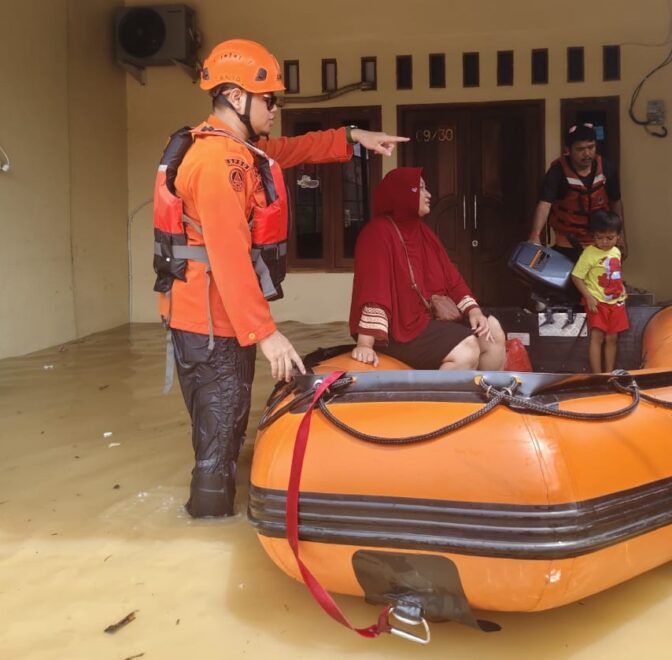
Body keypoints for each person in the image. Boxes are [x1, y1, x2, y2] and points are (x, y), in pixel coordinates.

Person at [152, 39, 407, 518]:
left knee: (223, 428)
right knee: (218, 438)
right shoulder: (216, 164)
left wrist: (353, 137)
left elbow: (290, 150)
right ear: (234, 96)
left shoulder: (238, 152)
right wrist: (266, 335)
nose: (276, 108)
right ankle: (209, 525)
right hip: (210, 323)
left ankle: (214, 509)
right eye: (269, 99)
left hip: (213, 318)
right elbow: (227, 256)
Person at [349, 167, 506, 370]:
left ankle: (486, 398)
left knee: (493, 332)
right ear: (403, 194)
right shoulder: (377, 233)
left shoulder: (422, 231)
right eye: (421, 188)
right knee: (467, 350)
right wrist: (365, 344)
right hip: (394, 331)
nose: (428, 195)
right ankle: (441, 401)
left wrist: (473, 310)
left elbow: (451, 278)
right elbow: (374, 289)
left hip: (424, 320)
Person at [528, 123, 627, 262]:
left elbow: (615, 201)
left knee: (600, 282)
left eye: (591, 147)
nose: (587, 153)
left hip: (602, 241)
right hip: (568, 242)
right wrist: (535, 235)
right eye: (580, 149)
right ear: (568, 150)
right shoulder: (557, 172)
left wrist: (621, 236)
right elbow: (544, 204)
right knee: (568, 282)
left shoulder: (607, 168)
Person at [570, 210, 629, 372]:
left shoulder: (616, 251)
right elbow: (576, 276)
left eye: (609, 238)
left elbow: (614, 273)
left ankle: (609, 374)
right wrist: (588, 297)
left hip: (616, 302)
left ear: (618, 236)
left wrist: (621, 287)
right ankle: (598, 376)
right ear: (593, 236)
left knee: (612, 338)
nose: (604, 242)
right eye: (599, 237)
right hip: (597, 303)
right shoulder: (589, 253)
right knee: (597, 338)